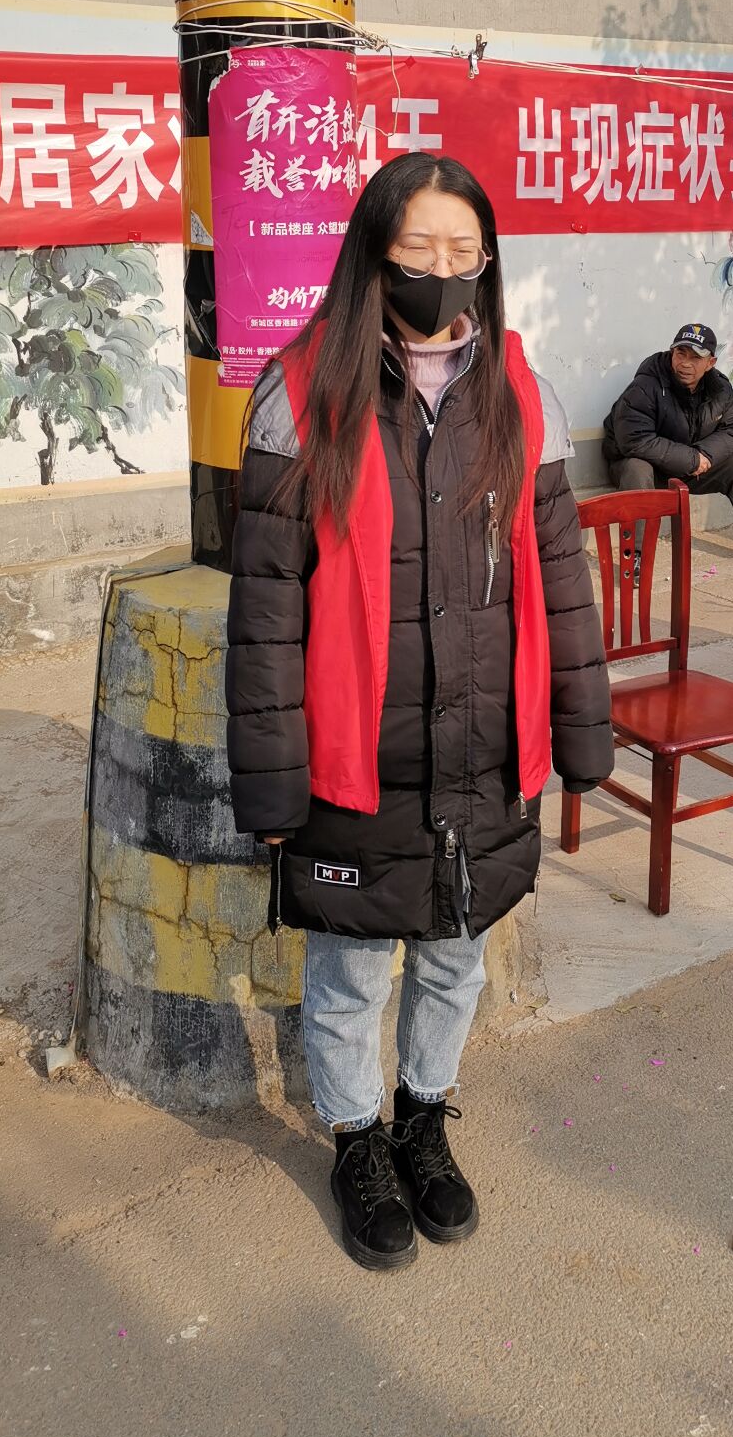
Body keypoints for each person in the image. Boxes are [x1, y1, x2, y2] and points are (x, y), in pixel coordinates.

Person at [227, 152, 613, 1273]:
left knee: (455, 958)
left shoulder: (520, 392)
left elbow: (560, 574)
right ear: (372, 255)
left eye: (464, 252)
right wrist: (272, 783)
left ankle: (424, 1118)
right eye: (417, 250)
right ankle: (357, 1139)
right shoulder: (301, 393)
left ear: (487, 263)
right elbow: (266, 612)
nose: (442, 273)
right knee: (351, 971)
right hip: (360, 758)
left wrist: (582, 726)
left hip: (480, 747)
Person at [601, 323, 733, 569]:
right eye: (681, 354)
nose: (686, 364)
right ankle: (635, 556)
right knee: (637, 468)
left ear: (710, 363)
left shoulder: (719, 388)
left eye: (695, 358)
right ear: (671, 353)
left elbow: (732, 432)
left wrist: (704, 455)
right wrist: (691, 459)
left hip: (690, 466)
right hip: (645, 469)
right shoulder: (646, 385)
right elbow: (634, 441)